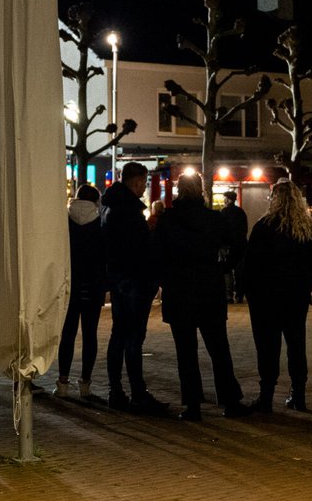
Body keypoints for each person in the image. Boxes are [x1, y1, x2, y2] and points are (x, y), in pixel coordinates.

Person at [153, 172, 252, 420]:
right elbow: (239, 244)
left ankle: (193, 405)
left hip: (179, 290)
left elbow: (157, 255)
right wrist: (224, 267)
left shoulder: (168, 220)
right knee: (219, 348)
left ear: (179, 190)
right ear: (201, 190)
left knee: (186, 351)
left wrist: (165, 280)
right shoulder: (214, 219)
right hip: (209, 288)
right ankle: (230, 401)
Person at [243, 179, 312, 411]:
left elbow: (251, 266)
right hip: (296, 298)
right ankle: (298, 395)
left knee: (268, 347)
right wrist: (305, 287)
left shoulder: (264, 226)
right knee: (296, 345)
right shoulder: (308, 229)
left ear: (274, 199)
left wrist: (251, 294)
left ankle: (266, 397)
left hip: (267, 298)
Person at [101, 162, 172, 414]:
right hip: (134, 281)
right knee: (133, 338)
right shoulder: (129, 211)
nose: (144, 188)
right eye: (143, 183)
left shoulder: (110, 207)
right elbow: (139, 250)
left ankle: (116, 390)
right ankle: (138, 393)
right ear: (136, 182)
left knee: (118, 335)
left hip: (119, 279)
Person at [57, 184, 106, 397]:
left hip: (70, 286)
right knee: (90, 336)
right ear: (95, 201)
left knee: (67, 335)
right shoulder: (99, 223)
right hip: (93, 286)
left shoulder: (64, 222)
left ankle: (63, 383)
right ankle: (85, 384)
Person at [219, 195, 249, 303]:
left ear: (228, 199)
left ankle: (229, 295)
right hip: (241, 245)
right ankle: (240, 295)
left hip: (228, 246)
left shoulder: (224, 212)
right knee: (239, 271)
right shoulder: (241, 212)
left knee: (227, 271)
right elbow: (245, 229)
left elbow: (222, 229)